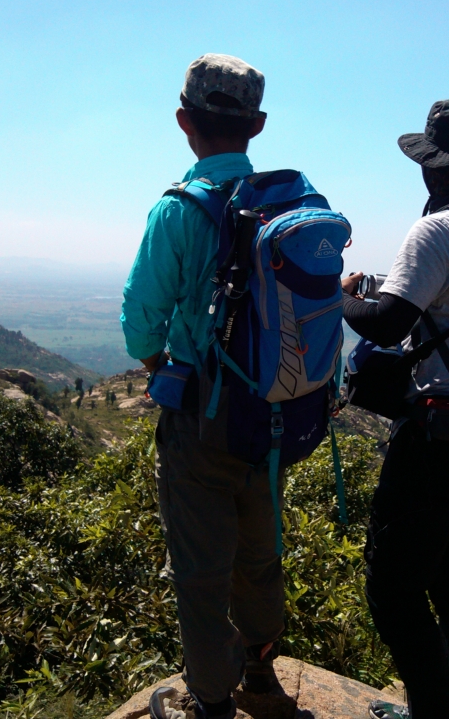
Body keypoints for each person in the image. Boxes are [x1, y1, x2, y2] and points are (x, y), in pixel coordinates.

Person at [340, 100, 449, 719]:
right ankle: (448, 709)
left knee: (391, 588)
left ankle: (435, 713)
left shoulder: (440, 229)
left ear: (431, 167)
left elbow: (388, 323)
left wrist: (345, 298)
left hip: (434, 435)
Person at [121, 54, 285, 719]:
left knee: (201, 571)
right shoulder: (285, 202)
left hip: (199, 419)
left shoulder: (179, 209)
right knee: (260, 551)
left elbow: (140, 319)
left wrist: (159, 365)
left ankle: (212, 704)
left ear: (185, 121)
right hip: (272, 418)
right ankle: (262, 676)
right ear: (259, 124)